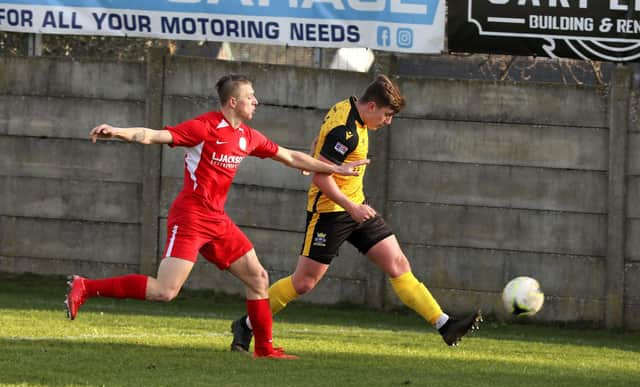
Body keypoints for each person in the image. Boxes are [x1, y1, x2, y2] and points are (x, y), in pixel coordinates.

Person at [65, 74, 368, 360]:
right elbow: (154, 135)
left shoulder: (247, 136)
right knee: (165, 291)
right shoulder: (205, 128)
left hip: (217, 221)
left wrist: (335, 168)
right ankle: (86, 287)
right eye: (251, 96)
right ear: (233, 102)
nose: (256, 101)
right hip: (191, 217)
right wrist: (118, 131)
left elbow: (290, 156)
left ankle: (264, 349)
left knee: (258, 277)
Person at [230, 75, 481, 353]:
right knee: (303, 282)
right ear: (371, 106)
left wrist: (315, 157)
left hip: (356, 206)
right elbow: (321, 179)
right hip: (329, 212)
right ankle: (246, 325)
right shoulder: (345, 130)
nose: (388, 122)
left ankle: (445, 325)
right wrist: (349, 204)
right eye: (386, 115)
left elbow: (319, 141)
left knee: (397, 263)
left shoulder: (346, 107)